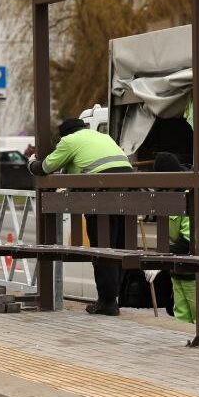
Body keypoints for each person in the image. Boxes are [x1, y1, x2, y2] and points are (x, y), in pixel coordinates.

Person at [29, 117, 133, 316]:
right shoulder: (102, 136)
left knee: (103, 249)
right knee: (118, 247)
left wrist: (32, 162)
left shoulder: (68, 141)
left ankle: (107, 302)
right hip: (128, 192)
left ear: (64, 135)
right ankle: (112, 298)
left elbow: (45, 168)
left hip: (101, 195)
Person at [152, 152, 199, 326]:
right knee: (181, 320)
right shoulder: (168, 196)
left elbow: (189, 241)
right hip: (179, 271)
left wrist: (160, 260)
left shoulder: (190, 196)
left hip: (198, 274)